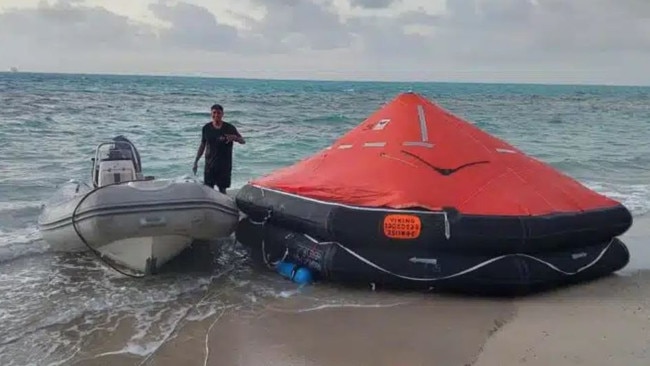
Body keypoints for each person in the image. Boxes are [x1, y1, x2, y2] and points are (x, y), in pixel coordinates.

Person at [192, 104, 245, 194]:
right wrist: (196, 161)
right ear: (211, 114)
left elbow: (243, 141)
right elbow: (202, 145)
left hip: (224, 165)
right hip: (209, 165)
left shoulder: (229, 128)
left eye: (219, 113)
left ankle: (225, 207)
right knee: (208, 190)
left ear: (222, 114)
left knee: (222, 190)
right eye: (214, 113)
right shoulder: (206, 128)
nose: (216, 115)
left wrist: (235, 138)